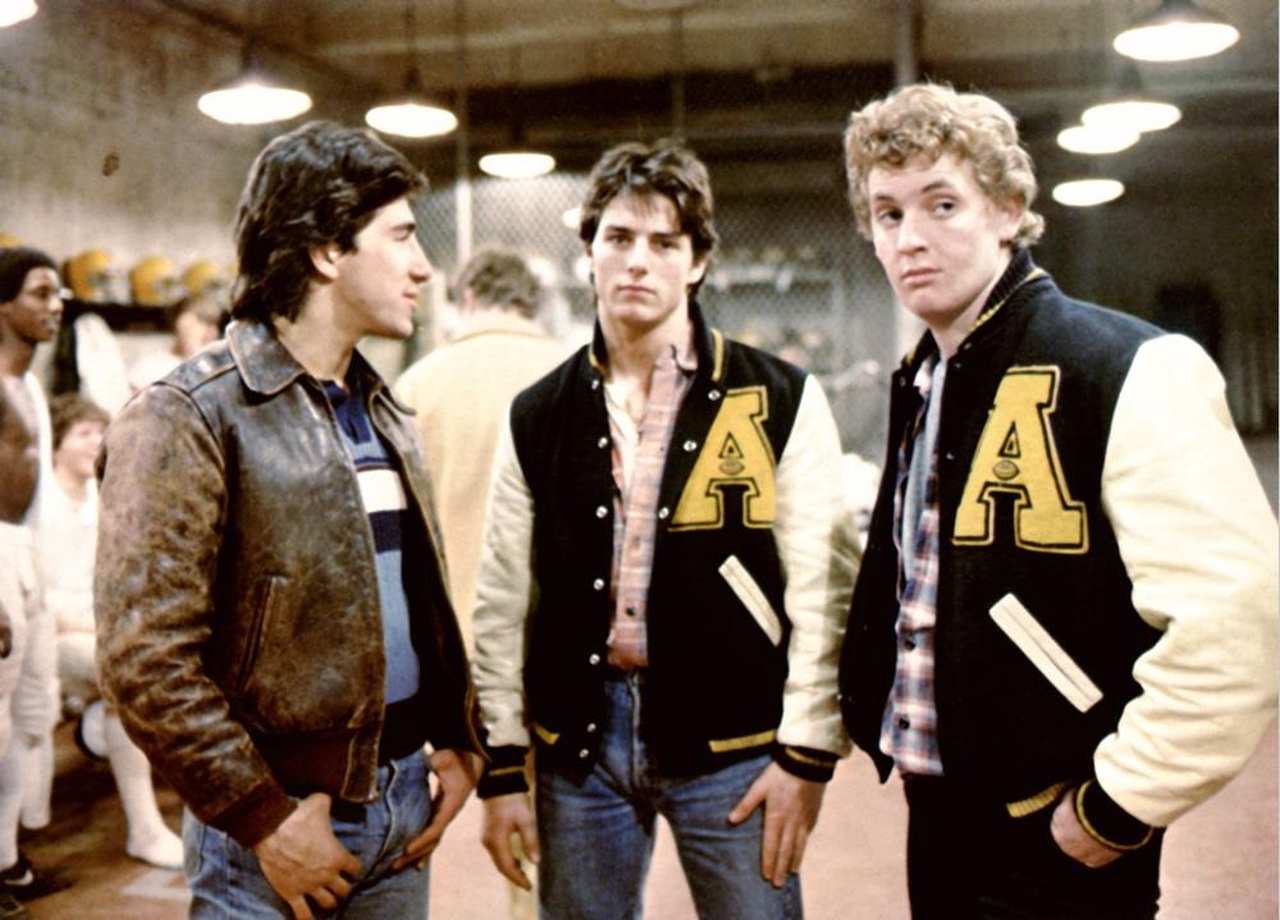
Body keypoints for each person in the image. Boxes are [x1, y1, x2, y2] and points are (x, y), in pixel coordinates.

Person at [836, 82, 1278, 919]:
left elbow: (1235, 619)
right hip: (940, 811)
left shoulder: (1129, 365)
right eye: (888, 214)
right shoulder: (927, 379)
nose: (910, 238)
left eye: (941, 204)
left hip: (1062, 820)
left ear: (1007, 210)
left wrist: (1122, 803)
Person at [95, 121, 483, 920]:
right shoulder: (190, 414)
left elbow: (411, 597)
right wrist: (262, 820)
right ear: (328, 250)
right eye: (402, 236)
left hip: (401, 805)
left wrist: (457, 734)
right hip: (276, 830)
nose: (423, 266)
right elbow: (144, 658)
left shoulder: (382, 409)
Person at [472, 140, 858, 919]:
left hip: (735, 742)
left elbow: (825, 589)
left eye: (664, 242)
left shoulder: (778, 396)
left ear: (698, 262)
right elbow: (501, 598)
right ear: (588, 253)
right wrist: (504, 765)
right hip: (581, 743)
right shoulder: (539, 413)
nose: (638, 262)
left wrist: (808, 751)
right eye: (617, 238)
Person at [28, 394, 184, 869]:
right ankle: (145, 829)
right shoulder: (38, 500)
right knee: (124, 671)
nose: (95, 442)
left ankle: (99, 727)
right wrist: (97, 626)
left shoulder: (100, 497)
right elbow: (35, 591)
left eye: (100, 432)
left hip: (99, 628)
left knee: (159, 660)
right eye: (83, 434)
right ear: (57, 443)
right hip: (49, 634)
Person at [394, 247, 567, 650]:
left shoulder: (417, 385)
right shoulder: (571, 375)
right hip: (551, 635)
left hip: (451, 631)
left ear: (468, 297)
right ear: (531, 301)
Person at [0, 247, 64, 919]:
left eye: (59, 293)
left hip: (29, 559)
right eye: (42, 293)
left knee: (30, 716)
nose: (57, 305)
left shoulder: (32, 388)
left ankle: (5, 856)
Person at [127, 292, 225, 391]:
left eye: (216, 324)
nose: (212, 332)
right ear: (180, 322)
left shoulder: (218, 373)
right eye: (204, 321)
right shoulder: (150, 367)